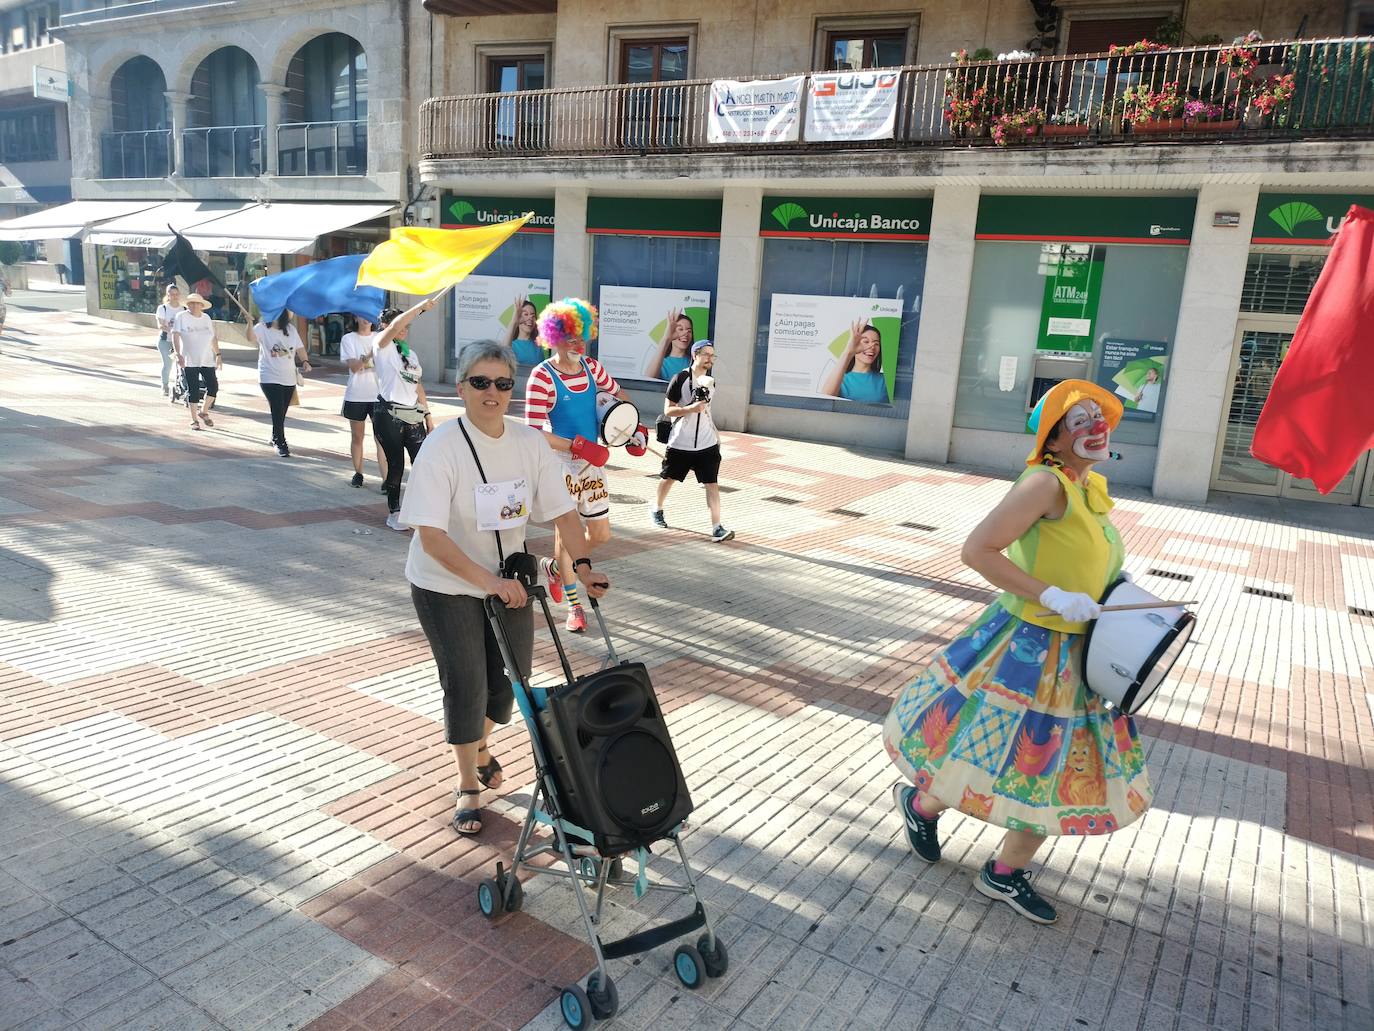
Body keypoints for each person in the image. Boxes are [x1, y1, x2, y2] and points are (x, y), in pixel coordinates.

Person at [882, 379, 1151, 926]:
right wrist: (1049, 594)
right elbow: (977, 550)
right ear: (1054, 439)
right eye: (1081, 420)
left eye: (1100, 417)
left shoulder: (1088, 486)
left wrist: (1116, 589)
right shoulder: (1043, 484)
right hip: (1025, 649)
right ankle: (922, 804)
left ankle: (1003, 871)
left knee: (1052, 767)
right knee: (985, 750)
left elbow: (1084, 560)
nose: (1097, 426)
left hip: (1078, 657)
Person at [401, 339, 611, 835]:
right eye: (480, 382)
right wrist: (490, 583)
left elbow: (563, 510)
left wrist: (582, 567)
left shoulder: (528, 443)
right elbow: (430, 536)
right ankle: (467, 784)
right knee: (467, 683)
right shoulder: (442, 445)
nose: (491, 392)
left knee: (508, 687)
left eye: (501, 383)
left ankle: (479, 746)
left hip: (509, 580)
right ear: (461, 388)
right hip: (445, 584)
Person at [525, 297, 646, 634]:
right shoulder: (542, 377)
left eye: (584, 336)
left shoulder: (593, 367)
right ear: (555, 337)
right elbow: (533, 434)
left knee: (600, 534)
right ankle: (575, 608)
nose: (579, 344)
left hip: (593, 463)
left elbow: (619, 397)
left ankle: (554, 568)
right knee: (569, 532)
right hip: (560, 463)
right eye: (571, 337)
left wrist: (633, 430)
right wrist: (577, 446)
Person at [650, 340, 734, 542]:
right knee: (668, 478)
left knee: (711, 484)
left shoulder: (710, 382)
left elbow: (706, 412)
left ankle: (717, 528)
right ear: (695, 354)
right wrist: (690, 408)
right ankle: (656, 509)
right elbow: (668, 410)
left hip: (707, 443)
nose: (710, 359)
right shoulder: (680, 378)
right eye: (706, 355)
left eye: (713, 356)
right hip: (681, 442)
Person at [372, 299, 437, 531]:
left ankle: (420, 509)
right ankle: (394, 511)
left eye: (407, 327)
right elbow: (392, 328)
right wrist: (419, 308)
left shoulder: (411, 355)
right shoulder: (381, 345)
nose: (404, 330)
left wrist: (428, 416)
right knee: (396, 464)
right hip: (388, 413)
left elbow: (417, 386)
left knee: (421, 462)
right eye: (401, 325)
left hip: (412, 414)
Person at [250, 311, 311, 457]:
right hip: (269, 376)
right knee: (277, 407)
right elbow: (250, 338)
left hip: (288, 377)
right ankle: (280, 441)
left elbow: (299, 347)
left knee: (282, 409)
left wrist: (305, 361)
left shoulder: (290, 329)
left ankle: (274, 434)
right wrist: (248, 323)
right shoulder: (262, 327)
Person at [339, 315, 388, 488]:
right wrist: (370, 353)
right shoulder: (348, 339)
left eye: (369, 315)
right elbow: (354, 367)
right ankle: (358, 473)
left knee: (381, 439)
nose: (366, 319)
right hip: (356, 395)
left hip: (378, 395)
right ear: (355, 318)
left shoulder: (380, 337)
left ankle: (386, 480)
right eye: (362, 315)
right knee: (357, 436)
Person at [171, 293, 221, 431]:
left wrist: (218, 354)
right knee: (193, 389)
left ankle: (204, 411)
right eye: (191, 303)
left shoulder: (206, 318)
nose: (193, 306)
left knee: (213, 387)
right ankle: (194, 420)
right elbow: (175, 334)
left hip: (206, 359)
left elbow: (213, 337)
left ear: (202, 306)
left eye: (196, 303)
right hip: (189, 359)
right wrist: (178, 353)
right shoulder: (181, 317)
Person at [821, 321, 888, 403]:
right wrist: (849, 352)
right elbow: (824, 400)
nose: (872, 347)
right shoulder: (838, 379)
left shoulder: (885, 380)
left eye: (876, 344)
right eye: (866, 342)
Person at [644, 309, 695, 380]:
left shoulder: (695, 362)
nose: (685, 334)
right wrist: (666, 339)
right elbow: (648, 380)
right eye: (680, 329)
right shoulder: (660, 362)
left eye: (689, 331)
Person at [155, 285, 185, 400]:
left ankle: (181, 385)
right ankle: (165, 385)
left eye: (176, 294)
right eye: (172, 294)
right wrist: (172, 330)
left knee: (181, 365)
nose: (174, 297)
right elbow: (160, 325)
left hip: (178, 341)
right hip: (165, 340)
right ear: (168, 295)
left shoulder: (182, 309)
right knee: (168, 364)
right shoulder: (163, 308)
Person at [502, 296, 543, 366]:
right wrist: (514, 322)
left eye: (533, 316)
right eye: (526, 314)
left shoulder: (538, 345)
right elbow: (503, 354)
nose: (530, 318)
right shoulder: (512, 345)